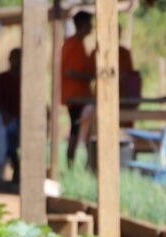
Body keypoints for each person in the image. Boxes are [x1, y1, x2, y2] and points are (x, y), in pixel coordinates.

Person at [62, 11, 95, 166]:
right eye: (89, 23)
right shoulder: (73, 44)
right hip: (76, 97)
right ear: (82, 25)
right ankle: (71, 164)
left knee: (83, 130)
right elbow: (70, 71)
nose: (92, 27)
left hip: (81, 96)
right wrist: (91, 77)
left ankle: (89, 164)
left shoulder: (78, 44)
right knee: (76, 131)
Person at [0, 48, 21, 182]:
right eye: (15, 58)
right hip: (6, 119)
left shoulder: (26, 80)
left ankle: (17, 171)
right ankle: (3, 174)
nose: (17, 61)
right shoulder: (2, 79)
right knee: (5, 143)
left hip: (20, 120)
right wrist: (4, 113)